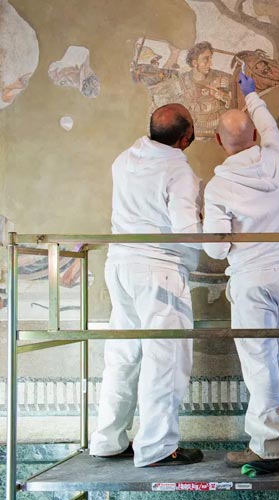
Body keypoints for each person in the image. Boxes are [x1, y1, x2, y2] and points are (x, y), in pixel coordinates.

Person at [203, 72, 279, 471]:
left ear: (219, 142)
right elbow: (267, 122)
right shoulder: (277, 158)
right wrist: (251, 93)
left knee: (259, 362)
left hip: (253, 281)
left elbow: (215, 248)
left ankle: (269, 446)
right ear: (254, 137)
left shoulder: (218, 188)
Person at [89, 103, 203, 467]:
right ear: (186, 137)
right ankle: (156, 447)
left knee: (123, 356)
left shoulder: (123, 159)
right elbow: (186, 230)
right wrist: (215, 234)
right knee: (165, 359)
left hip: (120, 266)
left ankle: (108, 440)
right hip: (159, 272)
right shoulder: (178, 170)